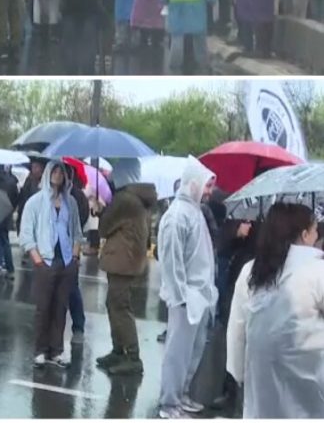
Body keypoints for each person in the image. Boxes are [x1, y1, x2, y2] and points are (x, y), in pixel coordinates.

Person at [226, 203, 324, 419]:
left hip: (261, 384)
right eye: (316, 230)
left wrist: (239, 372)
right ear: (305, 234)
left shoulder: (252, 270)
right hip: (312, 386)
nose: (318, 236)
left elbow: (237, 330)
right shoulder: (318, 270)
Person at [157, 157, 218, 419]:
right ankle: (169, 404)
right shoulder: (177, 215)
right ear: (194, 183)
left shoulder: (195, 211)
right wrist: (180, 296)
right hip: (185, 299)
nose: (210, 191)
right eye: (207, 185)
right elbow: (171, 261)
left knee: (192, 353)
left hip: (199, 296)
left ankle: (180, 396)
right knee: (177, 355)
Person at [19, 160, 82, 368]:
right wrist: (38, 260)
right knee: (43, 307)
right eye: (54, 171)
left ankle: (57, 350)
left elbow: (76, 232)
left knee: (60, 307)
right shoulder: (35, 202)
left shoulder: (70, 202)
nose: (57, 175)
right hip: (45, 261)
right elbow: (26, 234)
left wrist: (74, 258)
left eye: (60, 172)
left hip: (65, 261)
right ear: (47, 175)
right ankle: (40, 350)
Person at [95, 182, 157, 376]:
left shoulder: (125, 200)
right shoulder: (140, 200)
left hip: (122, 259)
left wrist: (101, 210)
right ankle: (118, 350)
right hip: (129, 259)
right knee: (114, 303)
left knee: (120, 306)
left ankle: (132, 356)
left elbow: (105, 227)